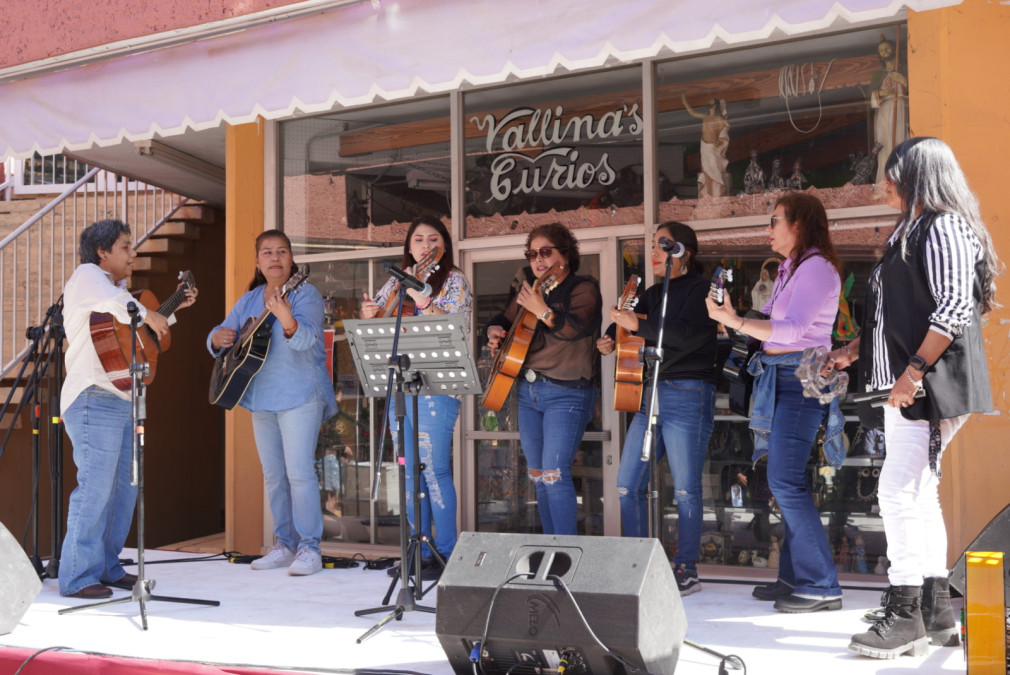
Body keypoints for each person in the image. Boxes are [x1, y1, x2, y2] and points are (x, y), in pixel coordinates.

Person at [826, 137, 999, 658]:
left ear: (920, 174)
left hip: (930, 382)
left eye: (894, 172)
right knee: (919, 494)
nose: (887, 183)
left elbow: (952, 308)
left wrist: (915, 371)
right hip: (912, 382)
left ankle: (904, 613)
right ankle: (935, 611)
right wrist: (856, 349)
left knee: (897, 490)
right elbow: (895, 313)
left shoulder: (943, 225)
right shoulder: (914, 228)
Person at [706, 192, 845, 613]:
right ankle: (793, 578)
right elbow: (770, 328)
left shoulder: (817, 268)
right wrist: (734, 318)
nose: (768, 228)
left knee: (786, 481)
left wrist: (734, 320)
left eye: (774, 220)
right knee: (785, 482)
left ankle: (822, 586)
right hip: (781, 378)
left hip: (799, 379)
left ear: (798, 224)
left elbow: (794, 327)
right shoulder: (792, 269)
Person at [59, 219, 197, 598]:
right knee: (96, 488)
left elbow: (145, 333)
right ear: (102, 252)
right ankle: (77, 575)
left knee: (124, 490)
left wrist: (172, 308)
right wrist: (147, 312)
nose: (132, 253)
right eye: (125, 246)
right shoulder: (88, 276)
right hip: (92, 397)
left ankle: (106, 565)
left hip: (122, 398)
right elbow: (121, 306)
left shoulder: (119, 294)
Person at [597, 222, 717, 595]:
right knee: (626, 484)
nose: (654, 252)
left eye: (662, 245)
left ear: (684, 251)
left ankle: (687, 568)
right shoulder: (651, 292)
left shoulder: (702, 290)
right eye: (652, 245)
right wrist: (608, 336)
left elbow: (688, 334)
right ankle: (637, 564)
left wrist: (639, 324)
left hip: (689, 389)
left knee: (685, 489)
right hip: (652, 393)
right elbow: (627, 322)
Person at [208, 229, 336, 576]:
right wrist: (215, 338)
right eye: (267, 252)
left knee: (299, 474)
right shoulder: (249, 300)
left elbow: (307, 340)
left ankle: (310, 549)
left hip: (299, 394)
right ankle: (284, 543)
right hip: (260, 396)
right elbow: (222, 334)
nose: (275, 257)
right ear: (257, 261)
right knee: (274, 475)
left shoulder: (305, 294)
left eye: (282, 251)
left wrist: (286, 318)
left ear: (291, 259)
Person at [360, 215, 472, 580]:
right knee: (409, 470)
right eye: (418, 239)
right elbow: (376, 324)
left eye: (433, 239)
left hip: (438, 387)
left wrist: (423, 296)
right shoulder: (395, 281)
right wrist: (369, 314)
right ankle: (418, 551)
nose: (425, 245)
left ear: (444, 246)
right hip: (401, 387)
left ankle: (448, 553)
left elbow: (453, 325)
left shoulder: (454, 280)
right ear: (409, 247)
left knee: (435, 470)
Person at [486, 223, 602, 535]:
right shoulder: (531, 290)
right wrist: (493, 330)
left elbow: (572, 329)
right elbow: (502, 319)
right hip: (528, 391)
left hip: (568, 391)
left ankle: (567, 553)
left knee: (555, 473)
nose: (538, 259)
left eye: (545, 252)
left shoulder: (584, 288)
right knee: (538, 473)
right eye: (532, 253)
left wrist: (542, 311)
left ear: (565, 254)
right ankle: (552, 546)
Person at [868, 36, 908, 184]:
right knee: (882, 141)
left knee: (896, 138)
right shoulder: (878, 76)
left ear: (894, 50)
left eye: (887, 48)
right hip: (883, 109)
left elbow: (912, 91)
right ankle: (882, 178)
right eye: (881, 51)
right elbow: (871, 96)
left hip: (898, 106)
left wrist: (904, 81)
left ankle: (898, 175)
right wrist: (882, 93)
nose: (884, 52)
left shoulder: (904, 70)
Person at [682, 94, 730, 198]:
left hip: (712, 146)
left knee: (713, 163)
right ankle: (711, 187)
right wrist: (685, 102)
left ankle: (721, 184)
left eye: (711, 104)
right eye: (708, 104)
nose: (709, 106)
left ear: (715, 106)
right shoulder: (705, 117)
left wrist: (720, 140)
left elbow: (725, 126)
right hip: (704, 145)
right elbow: (692, 112)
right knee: (706, 166)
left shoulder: (718, 118)